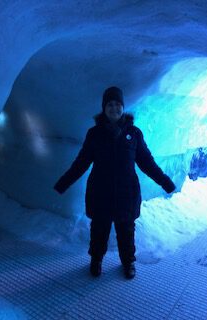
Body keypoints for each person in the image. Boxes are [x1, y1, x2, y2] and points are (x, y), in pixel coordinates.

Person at [54, 86, 176, 279]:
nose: (114, 108)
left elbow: (146, 162)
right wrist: (63, 183)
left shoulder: (134, 133)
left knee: (126, 230)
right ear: (104, 108)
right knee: (99, 229)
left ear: (122, 107)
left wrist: (166, 182)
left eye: (117, 104)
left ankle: (128, 263)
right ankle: (96, 260)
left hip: (126, 192)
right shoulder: (94, 134)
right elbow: (81, 162)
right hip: (100, 191)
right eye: (110, 104)